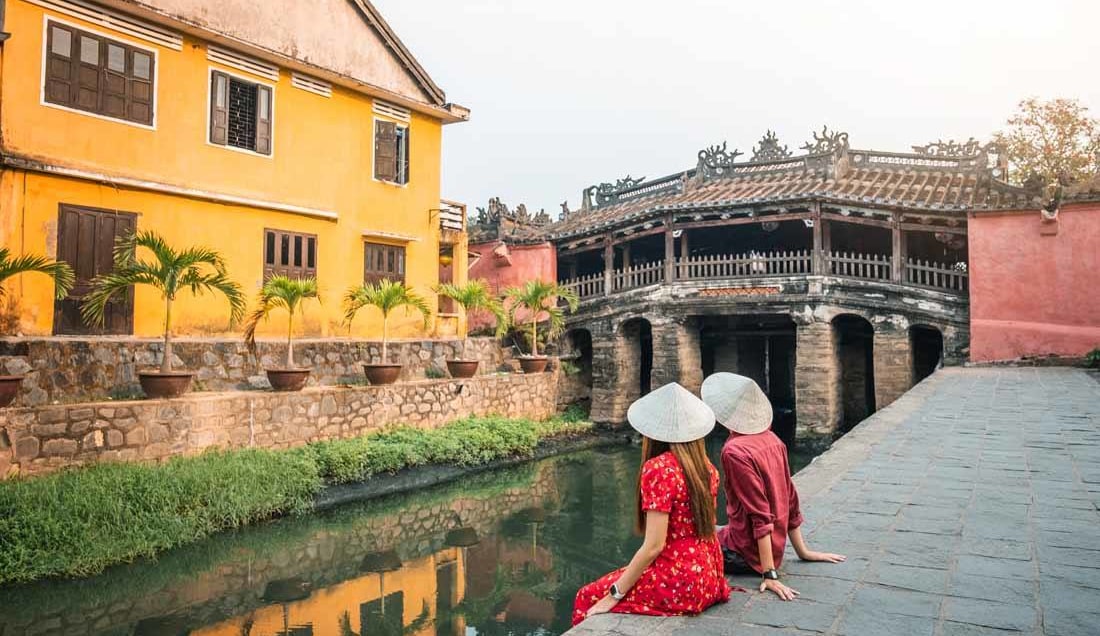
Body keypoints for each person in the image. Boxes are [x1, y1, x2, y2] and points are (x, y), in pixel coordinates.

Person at [572, 383, 731, 625]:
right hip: (710, 576)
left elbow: (654, 546)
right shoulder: (706, 468)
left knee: (587, 596)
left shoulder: (659, 469)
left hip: (680, 583)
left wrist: (614, 595)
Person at [701, 372, 846, 601]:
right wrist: (802, 552)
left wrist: (769, 574)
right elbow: (790, 498)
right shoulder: (773, 440)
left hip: (746, 554)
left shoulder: (734, 451)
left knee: (686, 542)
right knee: (714, 529)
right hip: (767, 546)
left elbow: (759, 514)